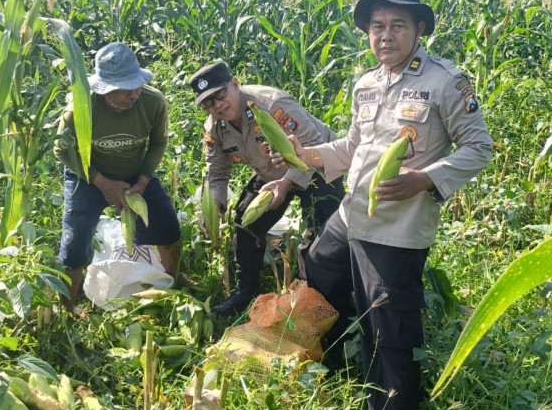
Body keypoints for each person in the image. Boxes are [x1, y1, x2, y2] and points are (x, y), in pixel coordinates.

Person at [280, 0, 494, 410]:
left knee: (389, 327)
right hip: (352, 213)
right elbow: (353, 148)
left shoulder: (445, 81)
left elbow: (480, 148)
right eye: (377, 26)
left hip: (395, 230)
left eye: (398, 25)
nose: (386, 35)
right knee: (317, 273)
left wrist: (426, 179)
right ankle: (336, 373)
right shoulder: (367, 83)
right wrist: (304, 155)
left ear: (419, 29)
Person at [189, 61, 345, 316]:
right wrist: (214, 207)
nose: (217, 105)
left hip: (318, 165)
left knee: (321, 237)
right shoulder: (214, 128)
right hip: (271, 171)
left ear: (235, 85)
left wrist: (286, 185)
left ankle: (317, 301)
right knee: (245, 224)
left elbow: (313, 143)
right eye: (208, 102)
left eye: (220, 94)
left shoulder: (272, 105)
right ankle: (246, 292)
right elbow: (217, 172)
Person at [54, 42, 181, 311]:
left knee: (168, 226)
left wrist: (144, 179)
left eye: (137, 85)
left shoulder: (152, 101)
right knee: (74, 243)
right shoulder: (81, 106)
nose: (134, 93)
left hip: (135, 173)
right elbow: (62, 150)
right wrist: (101, 182)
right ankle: (68, 308)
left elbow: (158, 144)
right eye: (125, 89)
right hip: (88, 176)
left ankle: (173, 281)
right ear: (105, 90)